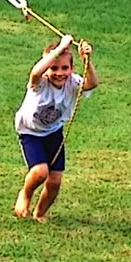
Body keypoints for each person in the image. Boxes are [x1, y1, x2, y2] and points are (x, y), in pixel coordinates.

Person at [14, 34, 98, 223]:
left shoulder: (72, 82)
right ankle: (25, 195)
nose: (59, 72)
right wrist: (59, 49)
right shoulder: (39, 83)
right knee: (40, 172)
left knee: (55, 180)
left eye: (64, 68)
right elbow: (35, 72)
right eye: (53, 68)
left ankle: (40, 212)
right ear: (46, 69)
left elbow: (91, 83)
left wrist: (87, 61)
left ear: (71, 69)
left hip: (54, 132)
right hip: (30, 132)